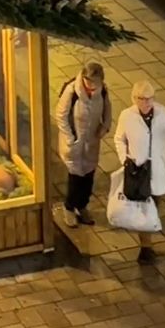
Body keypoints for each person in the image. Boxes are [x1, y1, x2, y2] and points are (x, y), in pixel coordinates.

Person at [113, 77, 165, 261]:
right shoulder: (127, 116)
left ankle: (148, 238)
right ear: (134, 99)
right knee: (142, 208)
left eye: (150, 98)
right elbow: (118, 139)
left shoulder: (162, 112)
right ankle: (146, 246)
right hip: (138, 170)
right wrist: (125, 160)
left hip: (157, 170)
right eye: (142, 99)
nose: (147, 103)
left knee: (155, 204)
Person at [55, 60, 111, 226]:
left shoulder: (102, 91)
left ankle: (82, 205)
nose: (92, 87)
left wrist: (105, 127)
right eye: (90, 82)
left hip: (92, 141)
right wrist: (71, 137)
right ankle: (69, 207)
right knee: (75, 176)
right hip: (74, 143)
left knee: (89, 175)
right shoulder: (72, 91)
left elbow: (108, 111)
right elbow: (61, 115)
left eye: (96, 83)